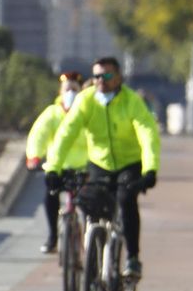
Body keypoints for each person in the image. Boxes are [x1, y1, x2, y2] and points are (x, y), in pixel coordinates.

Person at [47, 56, 161, 278]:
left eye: (107, 75)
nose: (101, 80)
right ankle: (94, 250)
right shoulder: (86, 100)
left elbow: (148, 134)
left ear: (118, 77)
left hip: (129, 163)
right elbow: (66, 133)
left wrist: (150, 170)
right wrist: (53, 168)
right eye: (97, 76)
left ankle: (132, 259)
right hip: (99, 163)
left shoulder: (131, 102)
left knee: (126, 200)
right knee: (89, 201)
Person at [25, 71, 89, 254]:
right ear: (60, 91)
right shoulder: (52, 113)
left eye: (74, 89)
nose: (70, 92)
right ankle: (53, 235)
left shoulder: (87, 112)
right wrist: (34, 156)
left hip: (84, 167)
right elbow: (39, 134)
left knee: (90, 200)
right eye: (67, 89)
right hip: (57, 166)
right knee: (50, 195)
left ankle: (90, 237)